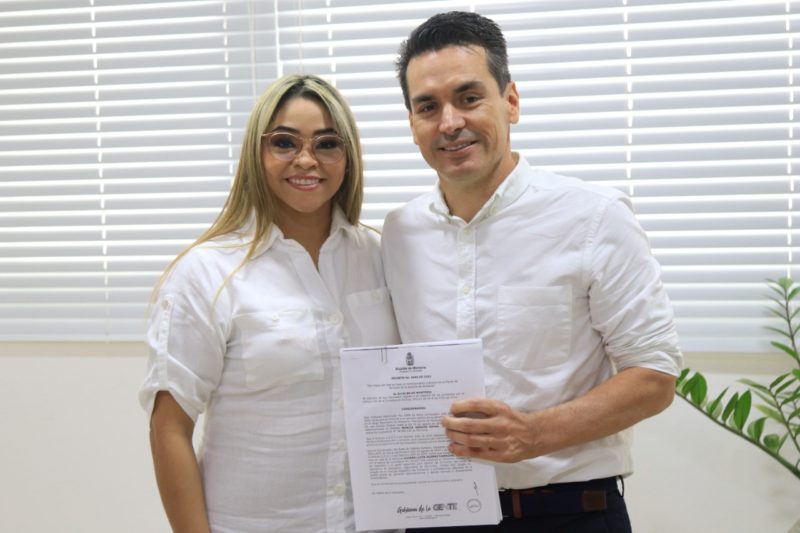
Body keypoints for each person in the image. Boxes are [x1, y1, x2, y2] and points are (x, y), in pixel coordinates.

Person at [381, 11, 683, 532]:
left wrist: (535, 434)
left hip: (570, 512)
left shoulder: (594, 216)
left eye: (469, 97)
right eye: (428, 107)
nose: (449, 122)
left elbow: (654, 376)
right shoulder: (397, 233)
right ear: (412, 124)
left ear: (511, 101)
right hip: (436, 512)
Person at [139, 74, 400, 533]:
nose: (306, 160)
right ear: (256, 154)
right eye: (284, 143)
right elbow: (170, 429)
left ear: (349, 156)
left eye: (327, 144)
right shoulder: (208, 273)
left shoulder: (383, 257)